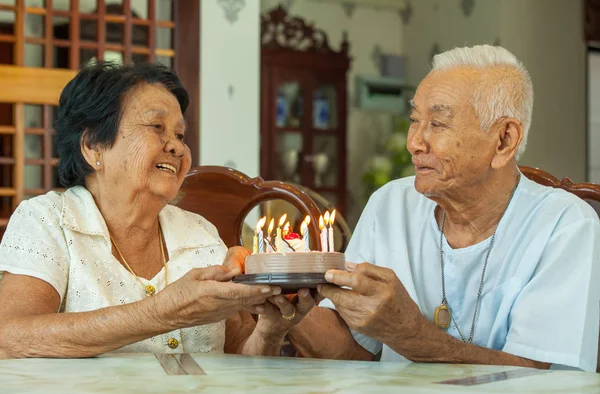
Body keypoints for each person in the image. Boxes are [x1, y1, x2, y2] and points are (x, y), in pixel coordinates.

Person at [287, 45, 600, 372]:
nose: (414, 143)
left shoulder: (565, 226)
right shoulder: (391, 204)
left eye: (437, 124)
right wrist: (288, 310)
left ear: (504, 140)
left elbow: (545, 383)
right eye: (414, 120)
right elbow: (352, 350)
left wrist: (410, 333)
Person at [0, 62, 316, 358]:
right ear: (93, 146)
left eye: (180, 134)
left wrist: (270, 332)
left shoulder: (199, 233)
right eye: (156, 126)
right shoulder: (48, 220)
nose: (177, 146)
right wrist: (164, 311)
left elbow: (238, 354)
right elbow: (10, 337)